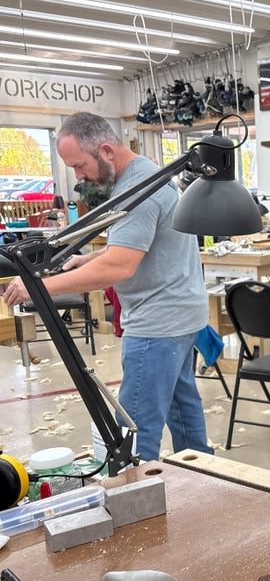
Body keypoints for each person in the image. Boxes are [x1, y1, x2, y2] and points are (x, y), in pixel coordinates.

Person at [1, 112, 213, 462]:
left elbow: (120, 266)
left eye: (80, 165)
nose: (78, 176)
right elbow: (139, 249)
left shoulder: (137, 189)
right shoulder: (145, 172)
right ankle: (206, 478)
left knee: (133, 432)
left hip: (156, 325)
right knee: (184, 413)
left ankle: (134, 499)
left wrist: (39, 288)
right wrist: (88, 260)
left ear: (106, 150)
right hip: (181, 315)